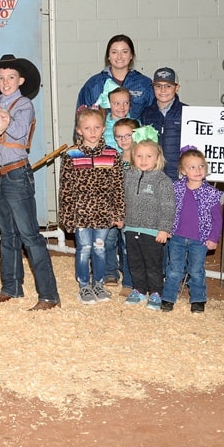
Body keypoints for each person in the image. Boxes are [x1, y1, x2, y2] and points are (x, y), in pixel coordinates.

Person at [0, 54, 60, 311]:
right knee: (8, 235)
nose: (5, 82)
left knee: (30, 236)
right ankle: (11, 288)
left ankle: (49, 296)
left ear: (21, 80)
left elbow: (15, 131)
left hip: (16, 174)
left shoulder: (23, 105)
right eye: (1, 78)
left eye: (11, 77)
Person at [57, 106, 124, 306]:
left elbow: (118, 187)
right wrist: (67, 217)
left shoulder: (113, 155)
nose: (92, 132)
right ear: (79, 130)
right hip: (81, 214)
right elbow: (65, 189)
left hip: (104, 213)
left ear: (103, 128)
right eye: (87, 128)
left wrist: (118, 213)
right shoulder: (71, 155)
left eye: (96, 127)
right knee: (84, 248)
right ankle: (84, 285)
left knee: (100, 248)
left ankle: (99, 284)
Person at [161, 147, 223, 313]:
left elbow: (217, 219)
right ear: (182, 170)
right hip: (177, 237)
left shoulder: (211, 194)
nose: (197, 170)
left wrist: (213, 238)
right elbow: (168, 210)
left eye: (201, 166)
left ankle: (198, 299)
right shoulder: (176, 189)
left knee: (196, 270)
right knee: (174, 268)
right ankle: (168, 298)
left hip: (200, 240)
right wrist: (165, 228)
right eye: (192, 167)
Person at [122, 127, 176, 311]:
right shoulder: (128, 177)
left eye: (148, 156)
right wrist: (122, 219)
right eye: (139, 156)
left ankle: (156, 292)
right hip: (131, 228)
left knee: (152, 264)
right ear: (133, 157)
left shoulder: (163, 181)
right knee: (134, 263)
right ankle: (138, 289)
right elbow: (123, 199)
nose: (143, 160)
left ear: (157, 158)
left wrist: (164, 228)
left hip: (153, 231)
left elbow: (168, 207)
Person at [76, 34, 154, 121]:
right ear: (108, 56)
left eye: (124, 52)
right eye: (114, 52)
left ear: (131, 55)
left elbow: (153, 119)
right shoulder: (93, 85)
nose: (119, 56)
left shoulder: (145, 84)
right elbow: (82, 121)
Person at [101, 88, 133, 288]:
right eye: (116, 103)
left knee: (129, 238)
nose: (121, 107)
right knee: (109, 235)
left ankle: (130, 274)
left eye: (126, 103)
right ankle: (110, 271)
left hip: (130, 190)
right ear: (109, 104)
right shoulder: (103, 126)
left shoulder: (135, 124)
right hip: (110, 189)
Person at [110, 117, 140, 292]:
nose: (123, 140)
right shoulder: (115, 160)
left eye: (128, 135)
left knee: (137, 247)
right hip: (122, 210)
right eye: (119, 137)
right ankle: (128, 282)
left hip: (139, 210)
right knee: (125, 245)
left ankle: (140, 280)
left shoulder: (144, 159)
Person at [140, 67, 186, 181]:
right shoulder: (146, 113)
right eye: (158, 86)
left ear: (177, 88)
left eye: (168, 86)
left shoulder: (186, 112)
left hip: (178, 175)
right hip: (154, 175)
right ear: (153, 88)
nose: (163, 90)